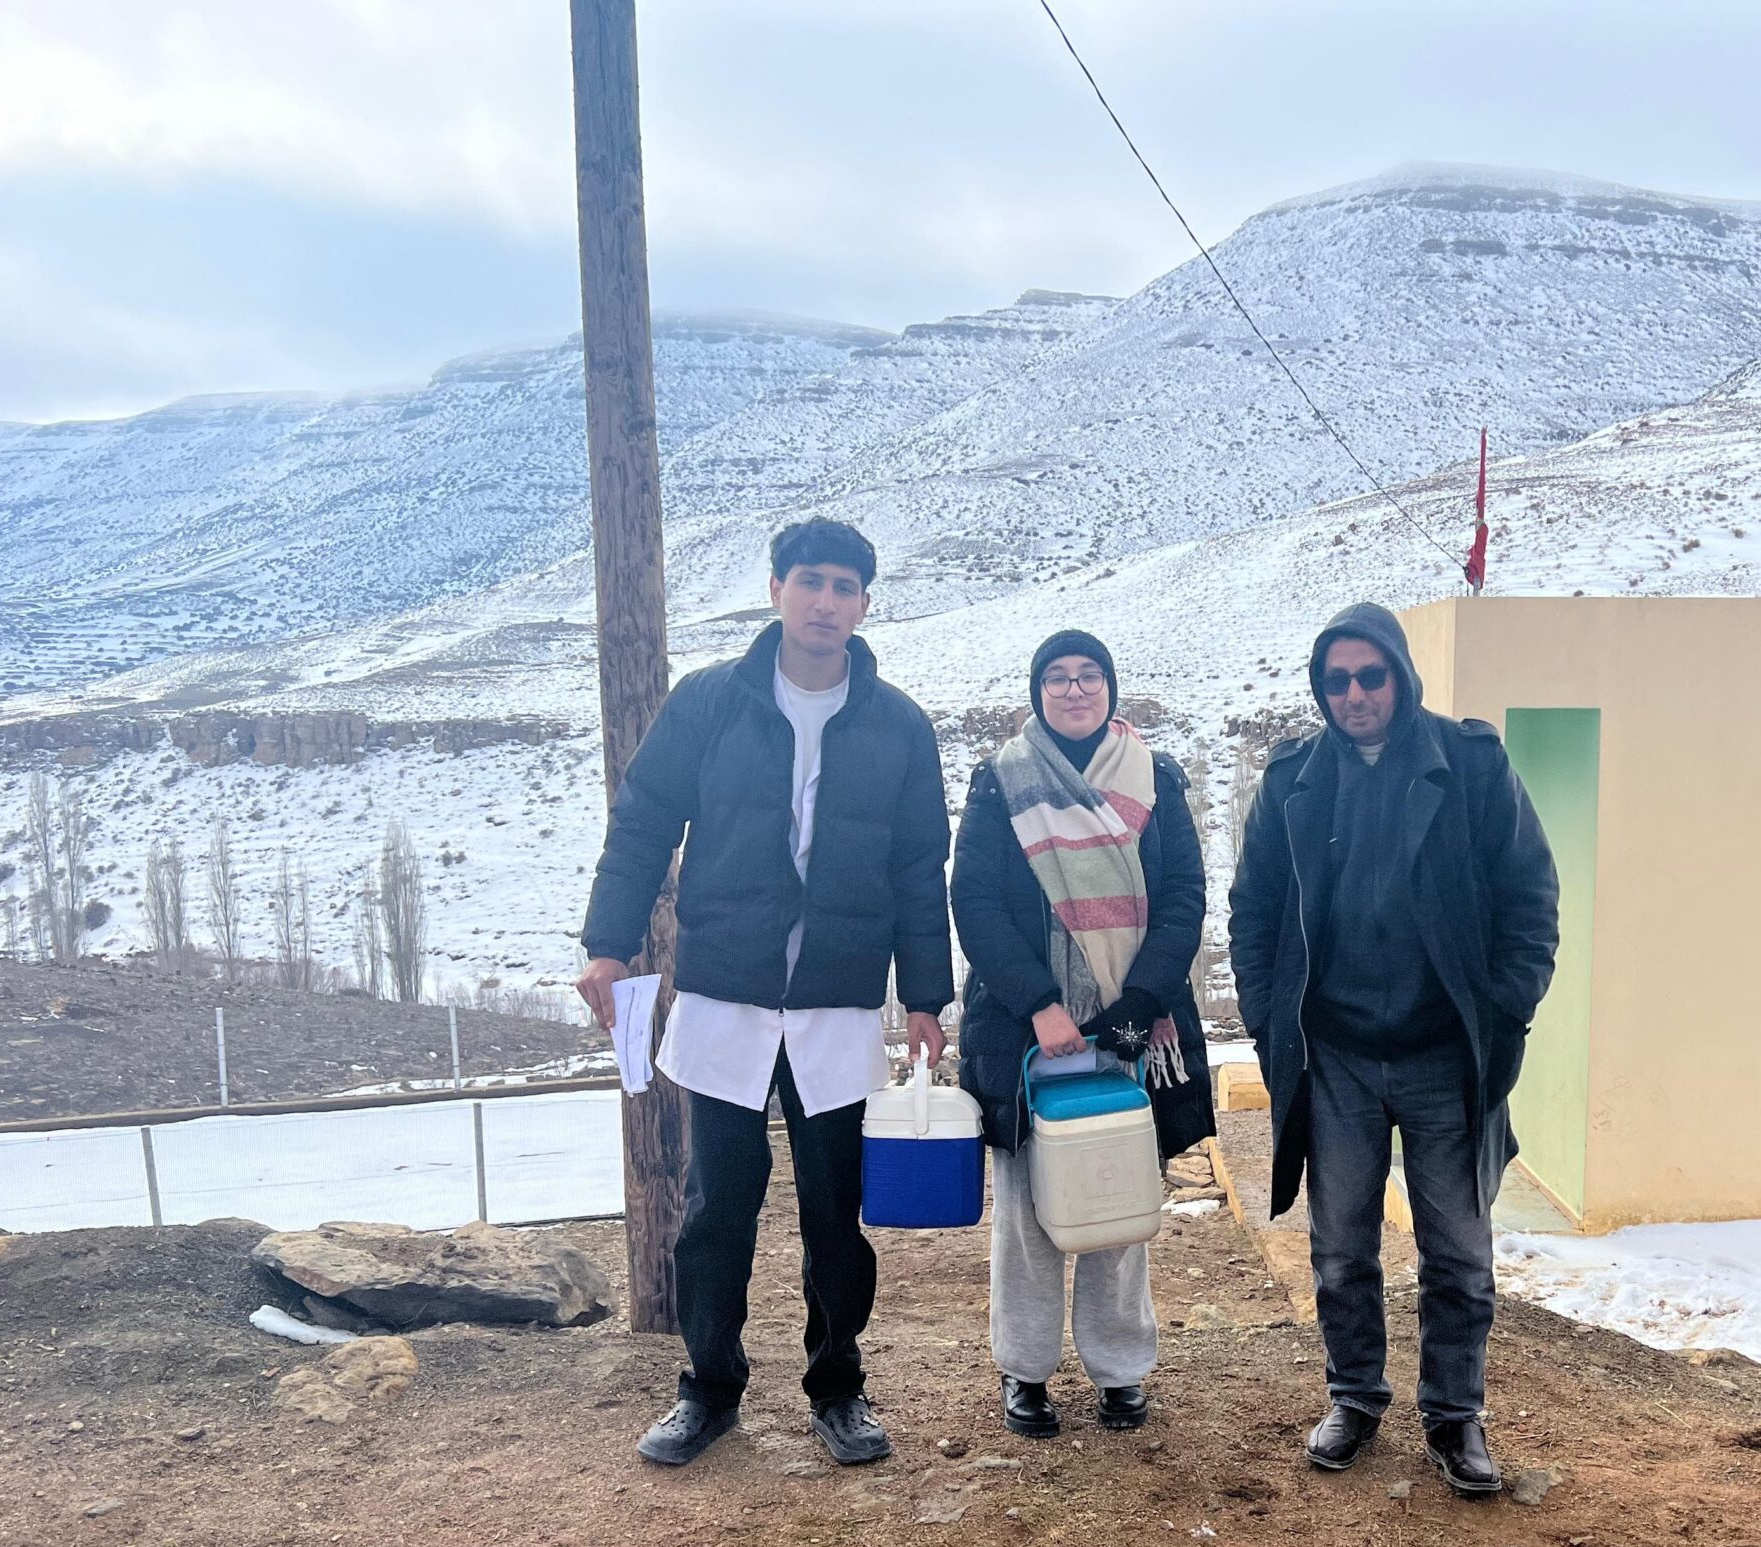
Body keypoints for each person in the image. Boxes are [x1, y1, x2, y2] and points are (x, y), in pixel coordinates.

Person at [577, 517, 951, 1471]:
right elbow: (643, 823)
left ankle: (839, 1387)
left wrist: (926, 996)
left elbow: (919, 867)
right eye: (810, 581)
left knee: (835, 1213)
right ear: (777, 589)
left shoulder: (899, 724)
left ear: (864, 603)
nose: (826, 602)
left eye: (844, 587)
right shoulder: (710, 703)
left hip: (836, 1002)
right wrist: (607, 945)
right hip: (727, 997)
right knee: (715, 1210)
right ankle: (707, 1388)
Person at [1228, 603, 1558, 1496]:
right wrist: (1268, 1019)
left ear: (1400, 676)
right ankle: (1354, 1398)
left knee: (1459, 1253)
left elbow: (1530, 897)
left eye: (1370, 675)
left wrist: (1505, 1009)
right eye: (1336, 680)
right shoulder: (1293, 782)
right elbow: (1253, 913)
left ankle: (1454, 1416)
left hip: (1445, 1055)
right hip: (1335, 1055)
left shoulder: (1471, 766)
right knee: (1341, 1247)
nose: (1354, 694)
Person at [951, 631, 1215, 1438]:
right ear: (1038, 692)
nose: (1074, 689)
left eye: (1088, 675)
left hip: (1130, 1025)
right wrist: (1038, 1003)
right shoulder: (1001, 780)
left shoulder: (1154, 776)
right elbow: (975, 901)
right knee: (1026, 1212)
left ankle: (1120, 1370)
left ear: (1110, 687)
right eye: (1058, 677)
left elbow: (1184, 895)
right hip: (1025, 1032)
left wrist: (1138, 1005)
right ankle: (1025, 1371)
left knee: (1117, 1197)